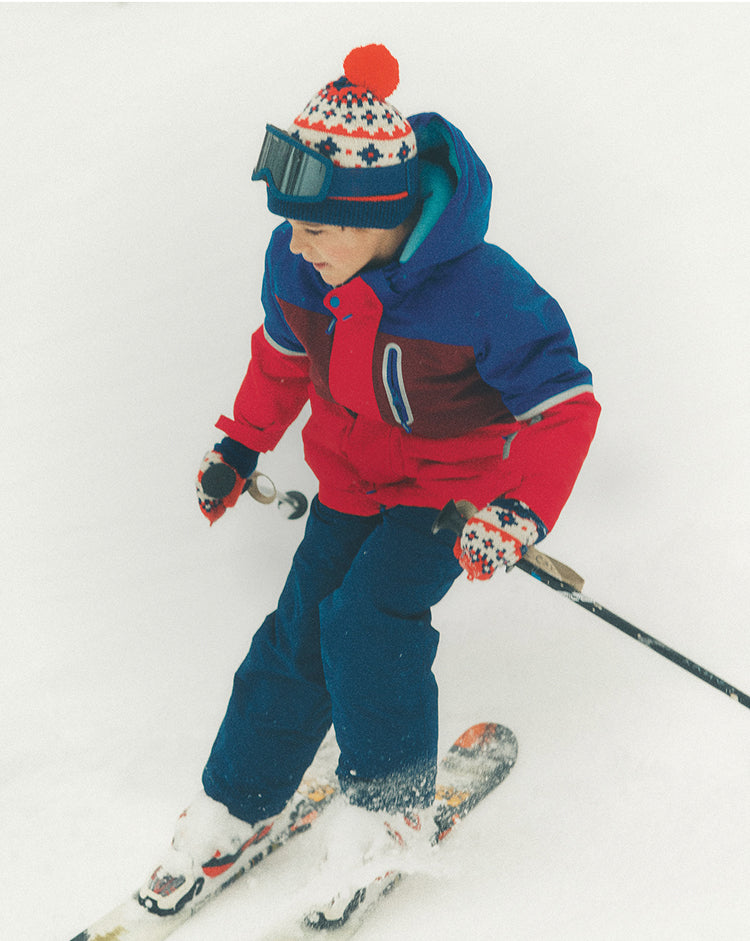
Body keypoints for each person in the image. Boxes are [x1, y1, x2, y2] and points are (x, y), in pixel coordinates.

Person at [139, 43, 601, 918]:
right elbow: (281, 358)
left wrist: (519, 509)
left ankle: (389, 812)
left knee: (367, 618)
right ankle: (236, 802)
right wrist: (241, 444)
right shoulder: (298, 262)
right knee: (300, 626)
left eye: (318, 226)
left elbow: (564, 407)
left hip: (451, 492)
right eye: (291, 223)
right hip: (351, 480)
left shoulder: (485, 291)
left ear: (380, 212)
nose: (296, 243)